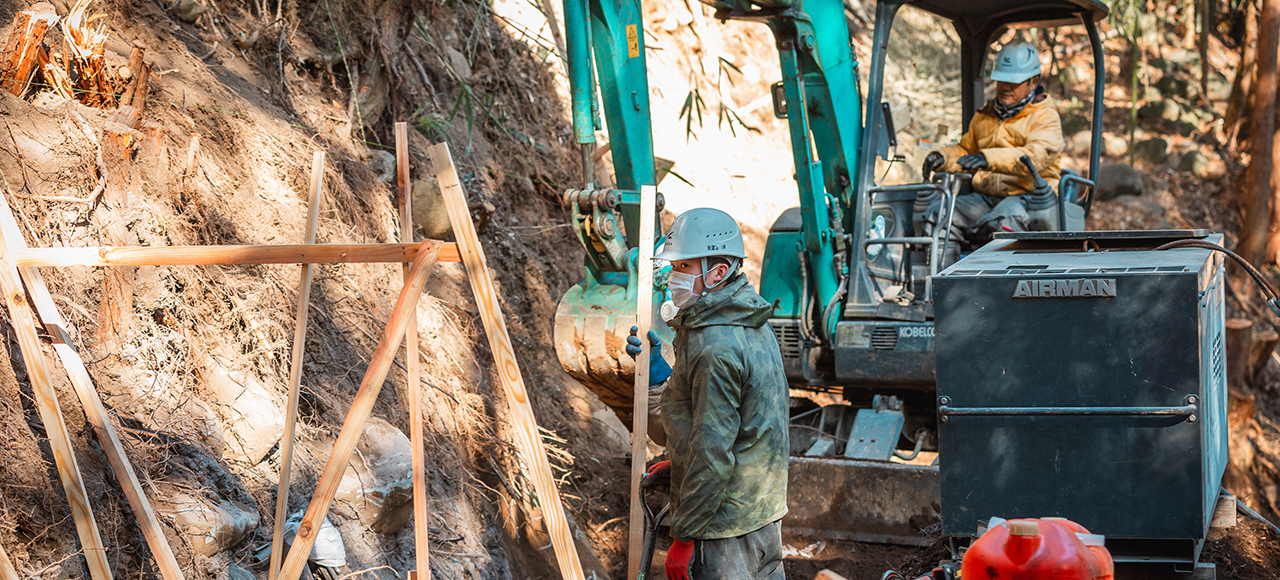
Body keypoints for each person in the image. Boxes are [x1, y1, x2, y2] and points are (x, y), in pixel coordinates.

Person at [624, 208, 790, 580]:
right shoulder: (748, 322)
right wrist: (681, 460)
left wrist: (684, 539)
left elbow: (714, 455)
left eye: (683, 267)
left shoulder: (713, 346)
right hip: (761, 515)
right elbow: (737, 424)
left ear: (717, 272)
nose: (672, 277)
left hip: (723, 528)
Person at [920, 40, 1064, 262]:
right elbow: (966, 150)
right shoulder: (985, 116)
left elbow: (1035, 156)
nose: (1005, 87)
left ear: (1033, 82)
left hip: (1027, 197)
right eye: (1001, 80)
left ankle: (998, 292)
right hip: (986, 198)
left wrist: (987, 158)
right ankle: (941, 284)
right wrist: (942, 157)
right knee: (939, 211)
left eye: (1013, 82)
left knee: (1006, 218)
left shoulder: (1045, 116)